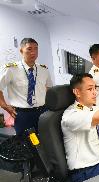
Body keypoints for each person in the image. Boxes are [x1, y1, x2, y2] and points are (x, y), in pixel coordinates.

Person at [0, 38, 52, 173]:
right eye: (29, 49)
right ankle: (27, 173)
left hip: (42, 112)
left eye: (36, 49)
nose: (33, 52)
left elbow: (48, 88)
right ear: (21, 50)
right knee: (26, 145)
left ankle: (43, 170)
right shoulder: (11, 69)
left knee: (43, 142)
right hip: (23, 115)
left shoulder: (43, 69)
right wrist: (5, 106)